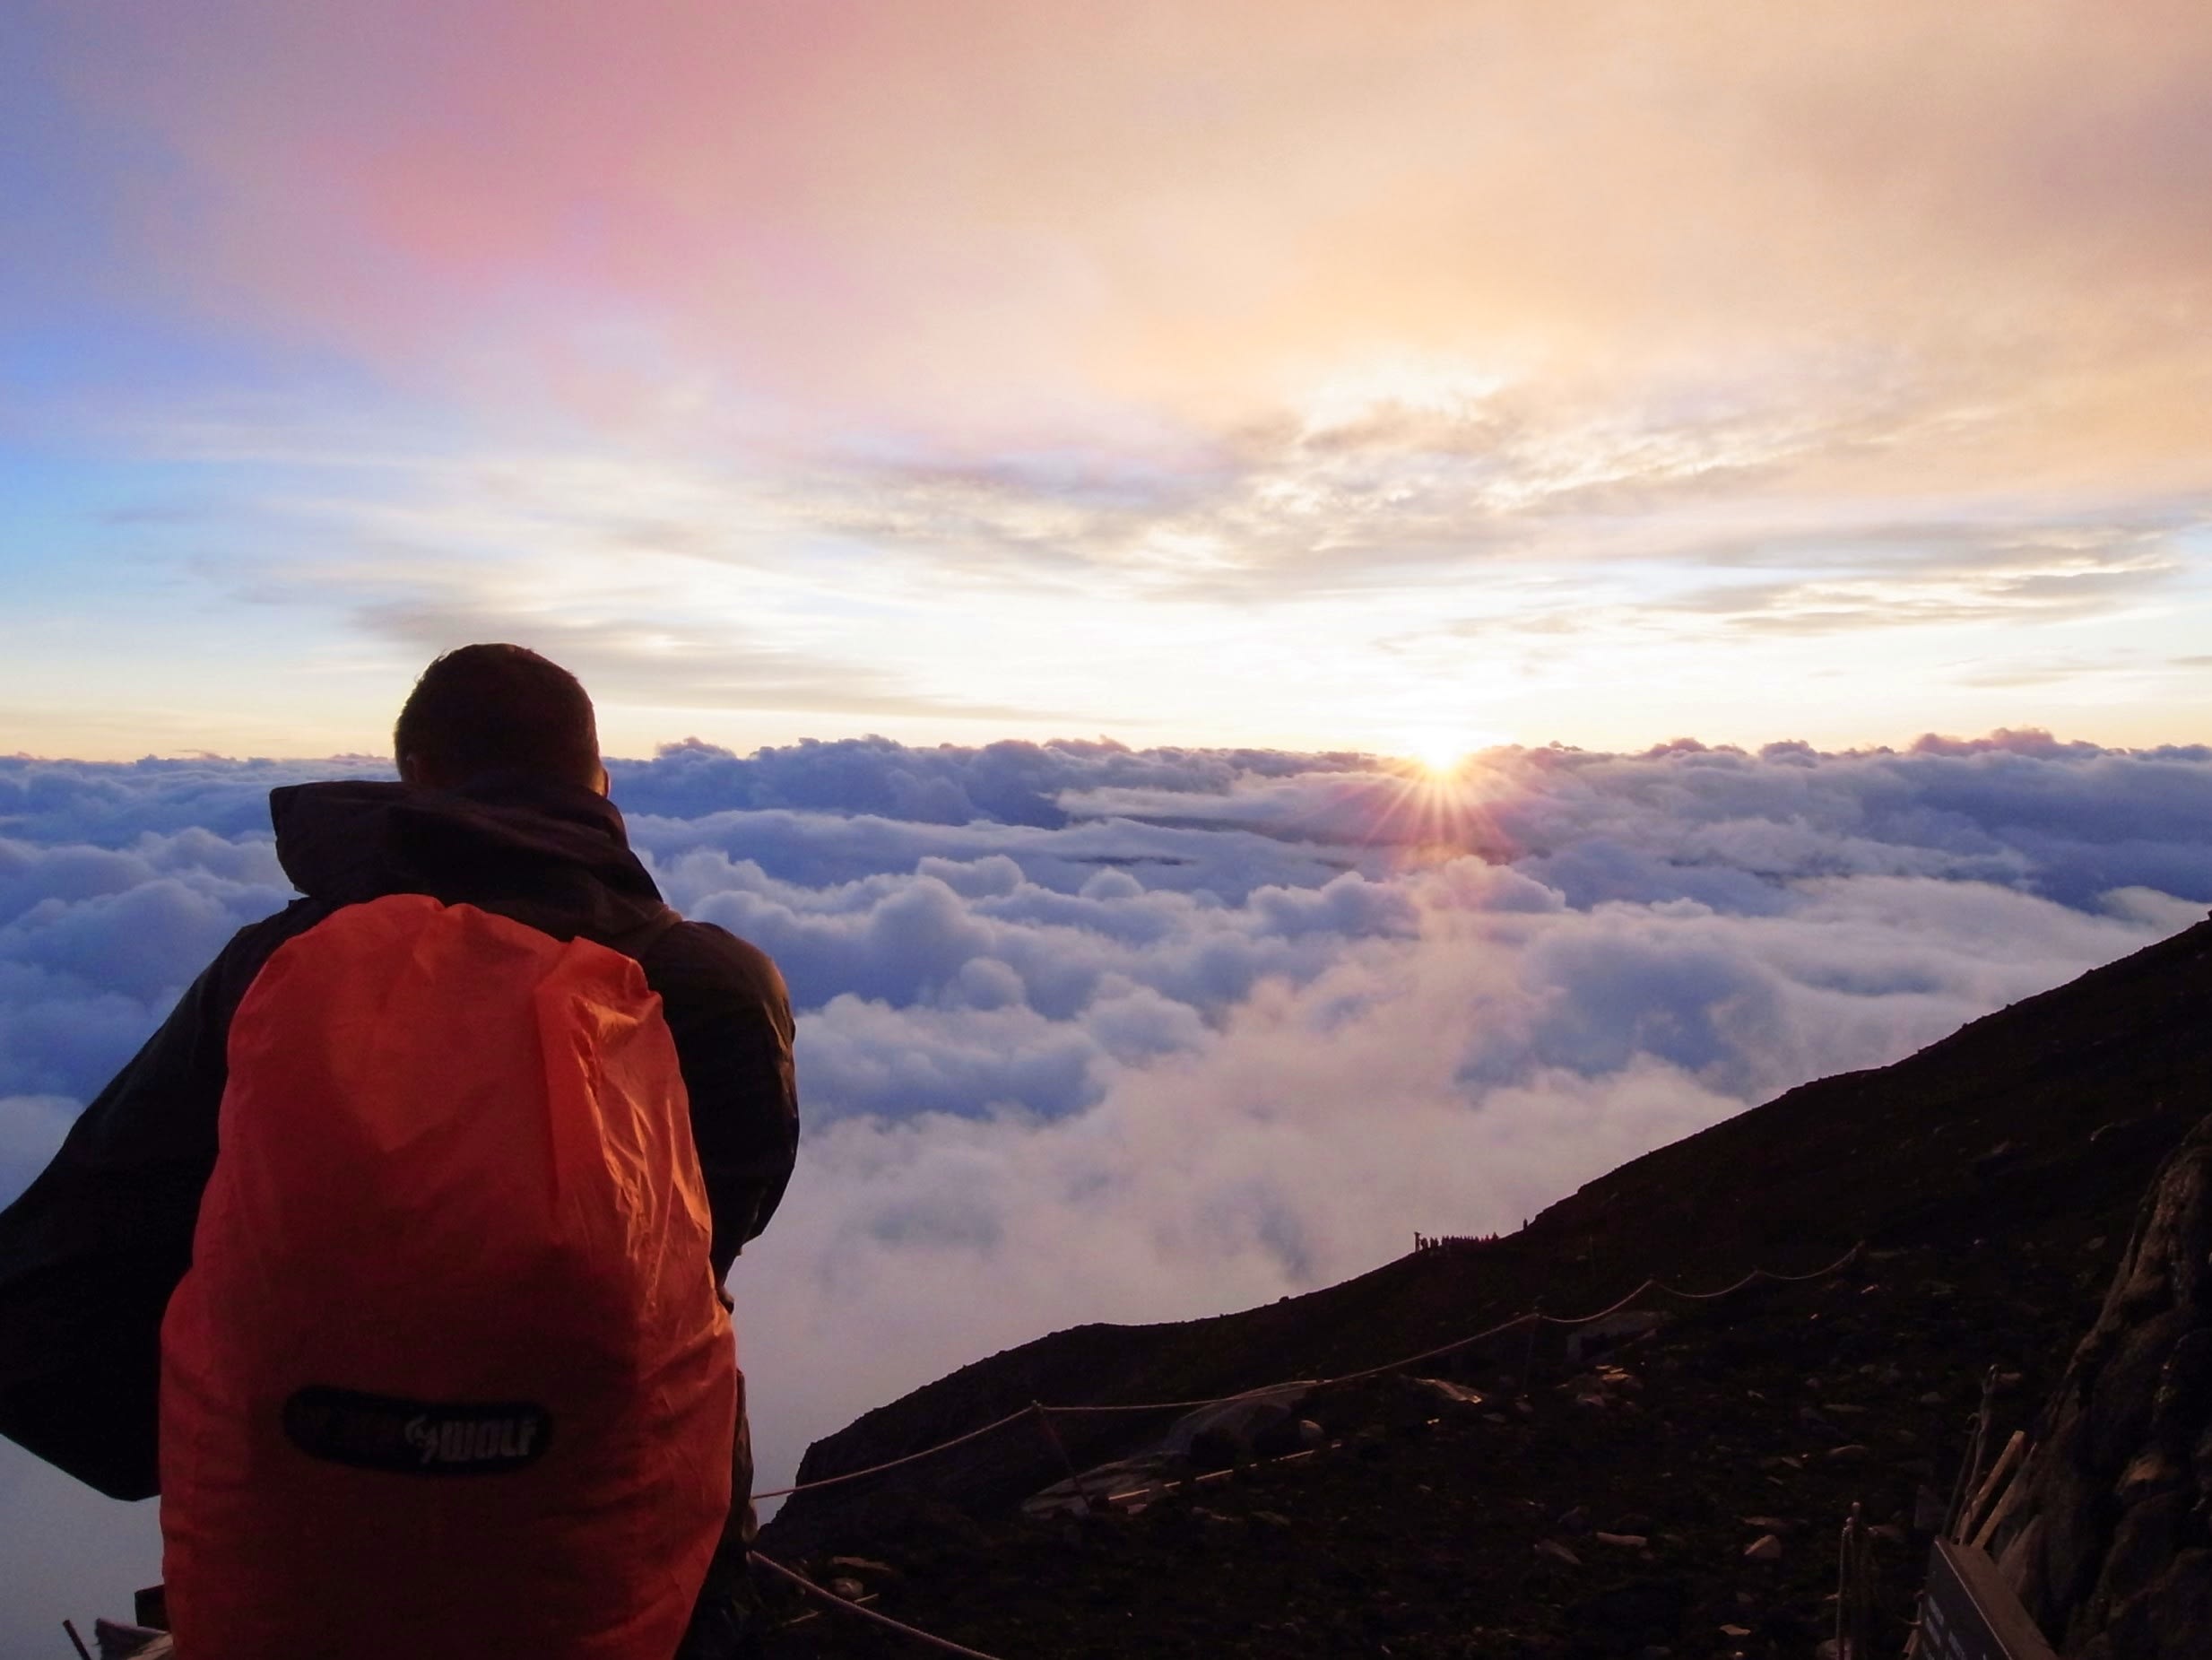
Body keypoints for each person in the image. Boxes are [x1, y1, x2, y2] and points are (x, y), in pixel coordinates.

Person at [0, 644, 799, 1653]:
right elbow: (718, 1235)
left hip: (297, 1560)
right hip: (624, 1558)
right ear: (599, 782)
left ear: (414, 774)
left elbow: (104, 1218)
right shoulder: (717, 988)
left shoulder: (278, 971)